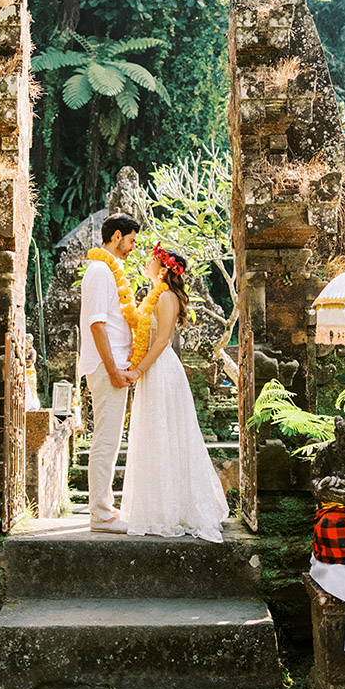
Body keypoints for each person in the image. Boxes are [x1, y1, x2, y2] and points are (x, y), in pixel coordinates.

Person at [121, 244, 229, 542]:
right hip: (152, 369)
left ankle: (171, 510)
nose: (147, 263)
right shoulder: (154, 295)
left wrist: (137, 370)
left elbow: (162, 341)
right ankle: (156, 507)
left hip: (161, 370)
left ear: (165, 269)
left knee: (165, 434)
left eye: (152, 260)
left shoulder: (166, 297)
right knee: (154, 435)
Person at [78, 212, 140, 532]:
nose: (132, 248)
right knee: (106, 441)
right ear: (116, 236)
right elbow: (96, 325)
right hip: (106, 365)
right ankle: (101, 513)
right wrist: (114, 370)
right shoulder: (100, 271)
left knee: (111, 439)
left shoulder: (107, 270)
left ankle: (104, 508)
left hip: (113, 364)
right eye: (130, 241)